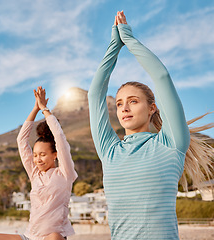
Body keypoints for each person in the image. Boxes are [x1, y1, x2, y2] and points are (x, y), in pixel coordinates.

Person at [88, 11, 214, 239]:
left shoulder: (171, 143)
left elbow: (162, 77)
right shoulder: (109, 151)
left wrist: (129, 40)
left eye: (133, 101)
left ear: (152, 107)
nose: (124, 108)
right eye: (119, 104)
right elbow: (95, 94)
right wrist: (113, 46)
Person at [0, 86, 78, 240]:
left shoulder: (65, 173)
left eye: (42, 155)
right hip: (29, 236)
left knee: (55, 237)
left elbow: (60, 138)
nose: (37, 159)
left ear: (55, 155)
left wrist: (45, 109)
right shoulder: (34, 173)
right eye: (35, 155)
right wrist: (35, 109)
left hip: (52, 238)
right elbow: (21, 140)